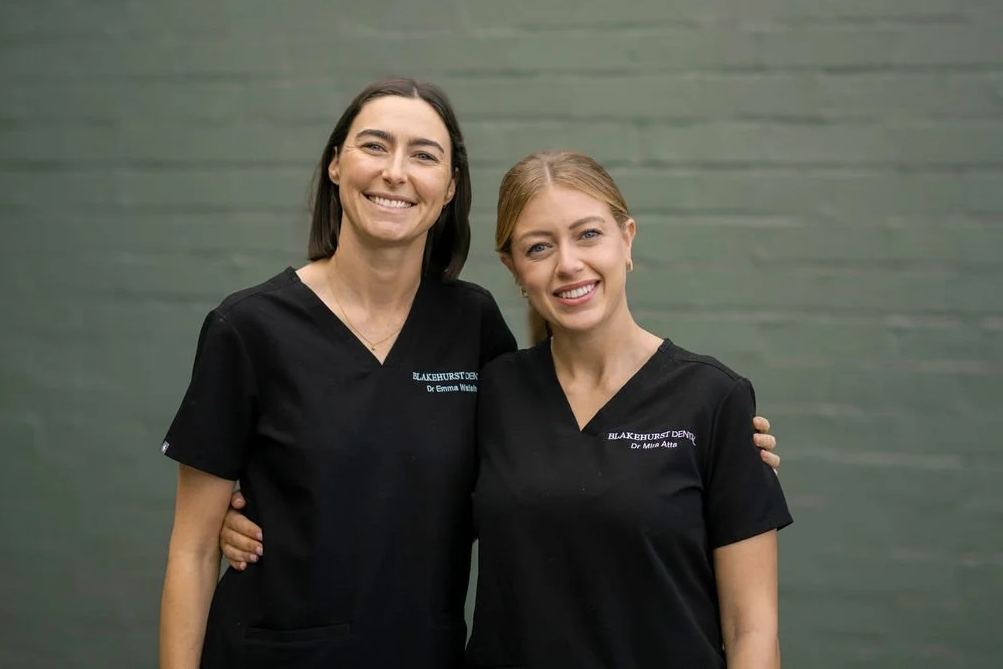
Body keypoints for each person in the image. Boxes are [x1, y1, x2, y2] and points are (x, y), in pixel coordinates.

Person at [161, 77, 780, 669]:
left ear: (450, 186)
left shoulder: (472, 326)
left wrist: (721, 450)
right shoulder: (250, 328)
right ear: (335, 164)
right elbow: (193, 546)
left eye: (423, 154)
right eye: (374, 145)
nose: (395, 172)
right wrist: (229, 521)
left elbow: (551, 457)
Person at [465, 150, 792, 668]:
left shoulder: (712, 399)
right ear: (514, 268)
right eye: (539, 247)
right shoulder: (492, 393)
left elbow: (751, 628)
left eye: (588, 234)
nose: (568, 264)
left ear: (627, 239)